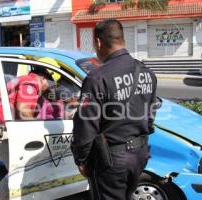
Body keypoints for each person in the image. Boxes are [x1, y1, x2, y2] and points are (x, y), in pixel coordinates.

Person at [71, 19, 157, 200]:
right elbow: (150, 115)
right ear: (122, 39)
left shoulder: (98, 78)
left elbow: (86, 124)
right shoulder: (147, 73)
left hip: (111, 160)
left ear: (99, 42)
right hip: (140, 155)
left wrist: (81, 159)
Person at [0, 68, 55, 200]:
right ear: (43, 77)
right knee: (20, 173)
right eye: (50, 84)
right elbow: (24, 110)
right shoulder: (31, 82)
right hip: (1, 133)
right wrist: (38, 130)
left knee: (18, 173)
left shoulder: (23, 79)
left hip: (1, 130)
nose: (49, 89)